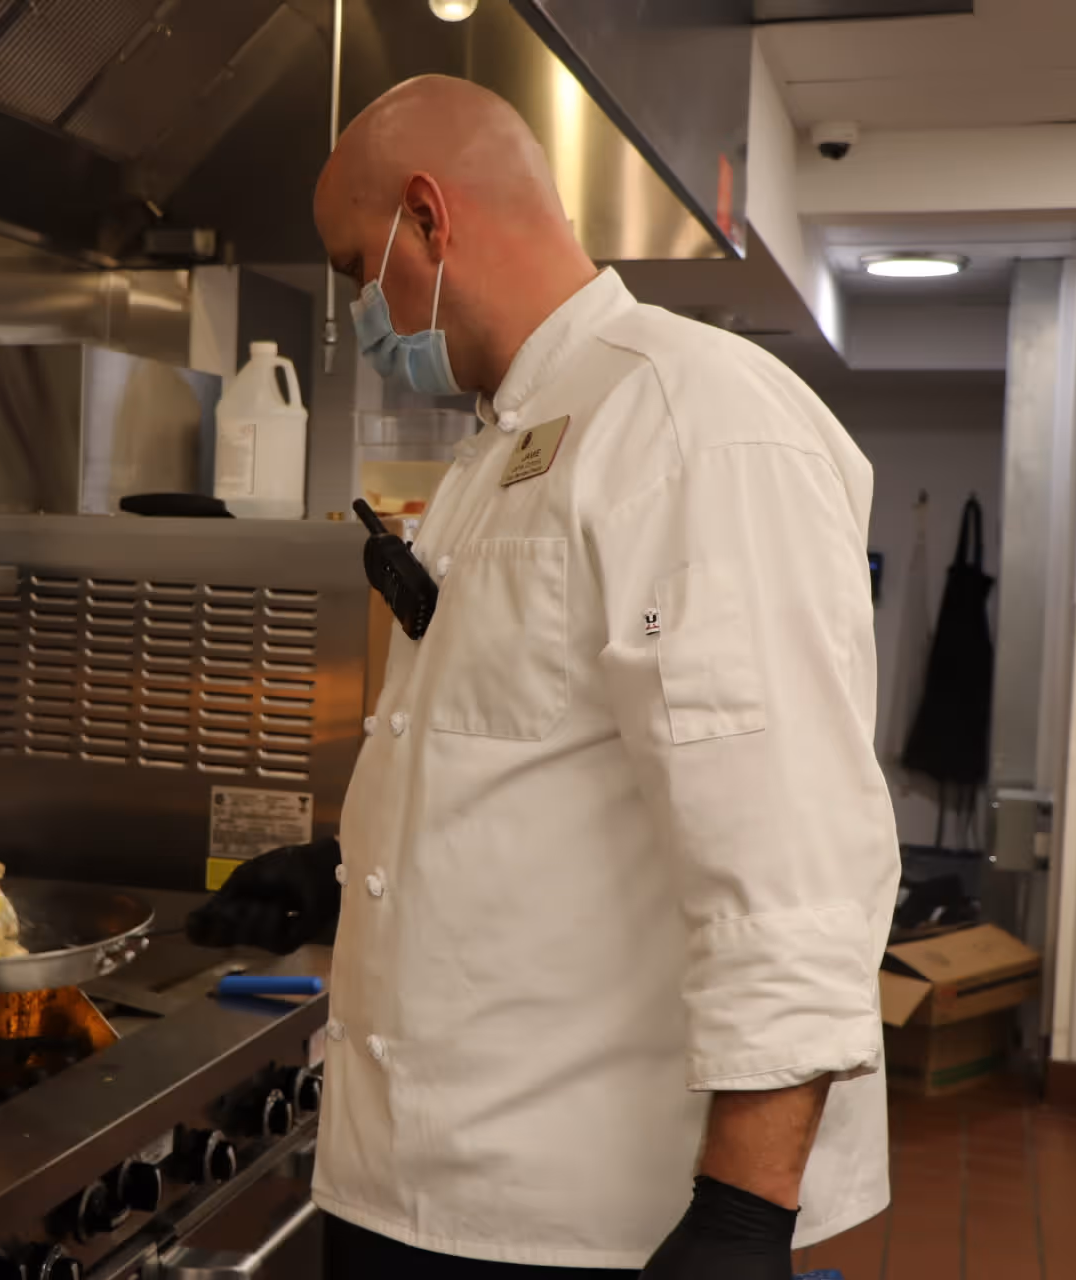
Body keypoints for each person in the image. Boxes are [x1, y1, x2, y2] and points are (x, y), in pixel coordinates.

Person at [188, 76, 900, 1280]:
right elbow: (524, 756)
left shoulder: (691, 419)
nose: (358, 305)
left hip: (583, 1222)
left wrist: (741, 1215)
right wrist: (345, 874)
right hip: (426, 1183)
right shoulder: (505, 446)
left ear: (429, 218)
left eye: (356, 263)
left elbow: (792, 849)